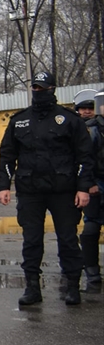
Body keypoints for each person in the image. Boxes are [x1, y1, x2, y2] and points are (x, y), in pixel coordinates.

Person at [0, 73, 94, 306]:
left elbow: (85, 156)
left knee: (68, 239)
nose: (38, 92)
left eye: (43, 88)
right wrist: (4, 186)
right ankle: (32, 287)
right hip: (30, 191)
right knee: (31, 240)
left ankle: (72, 285)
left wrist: (83, 189)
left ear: (53, 89)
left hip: (63, 190)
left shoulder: (69, 119)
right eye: (35, 88)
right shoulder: (19, 120)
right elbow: (7, 155)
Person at [73, 89, 103, 292]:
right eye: (83, 108)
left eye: (90, 107)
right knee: (90, 228)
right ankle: (92, 272)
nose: (87, 112)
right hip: (95, 185)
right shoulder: (89, 131)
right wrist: (87, 183)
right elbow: (83, 159)